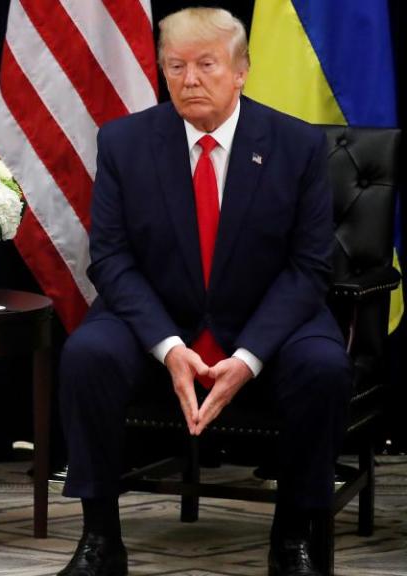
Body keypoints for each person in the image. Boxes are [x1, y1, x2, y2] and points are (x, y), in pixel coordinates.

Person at [56, 8, 350, 576]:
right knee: (87, 355)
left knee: (323, 366)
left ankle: (294, 538)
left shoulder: (297, 146)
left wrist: (247, 358)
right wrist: (167, 346)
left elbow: (309, 267)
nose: (189, 79)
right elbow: (112, 258)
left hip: (266, 318)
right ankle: (100, 540)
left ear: (241, 70)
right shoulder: (124, 142)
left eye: (207, 65)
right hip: (161, 315)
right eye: (176, 66)